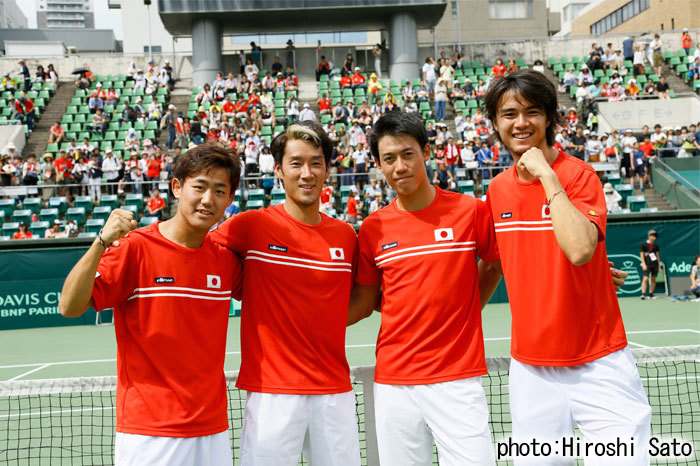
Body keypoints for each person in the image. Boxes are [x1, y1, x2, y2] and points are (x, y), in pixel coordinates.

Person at [480, 69, 650, 465]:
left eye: (531, 112)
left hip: (599, 362)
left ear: (550, 118)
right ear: (495, 123)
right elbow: (497, 263)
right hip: (532, 370)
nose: (520, 123)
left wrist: (546, 175)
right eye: (508, 114)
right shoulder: (497, 190)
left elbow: (578, 250)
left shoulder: (578, 176)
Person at [58, 143, 242, 466]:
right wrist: (100, 242)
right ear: (176, 188)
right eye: (199, 187)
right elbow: (69, 306)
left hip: (213, 430)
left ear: (229, 200)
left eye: (219, 190)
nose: (207, 199)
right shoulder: (135, 248)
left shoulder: (225, 260)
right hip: (150, 433)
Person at [349, 111, 498, 465]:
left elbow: (495, 265)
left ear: (426, 153)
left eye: (407, 154)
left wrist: (466, 307)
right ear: (379, 166)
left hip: (458, 380)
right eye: (389, 159)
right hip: (394, 382)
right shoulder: (373, 228)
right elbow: (369, 300)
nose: (399, 166)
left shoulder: (469, 211)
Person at [209, 122, 361, 465]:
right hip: (271, 394)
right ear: (278, 170)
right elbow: (200, 255)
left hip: (334, 391)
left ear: (327, 169)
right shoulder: (250, 225)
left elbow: (357, 302)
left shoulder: (346, 236)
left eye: (316, 162)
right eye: (296, 163)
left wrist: (319, 321)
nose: (307, 173)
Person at [640, 229, 660, 300]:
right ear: (649, 236)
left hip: (654, 265)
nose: (654, 237)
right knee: (645, 279)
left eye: (655, 236)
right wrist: (643, 264)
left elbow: (657, 256)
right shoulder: (643, 245)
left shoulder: (656, 246)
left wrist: (659, 266)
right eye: (653, 236)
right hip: (647, 264)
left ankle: (651, 294)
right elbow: (641, 255)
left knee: (653, 279)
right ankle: (643, 294)